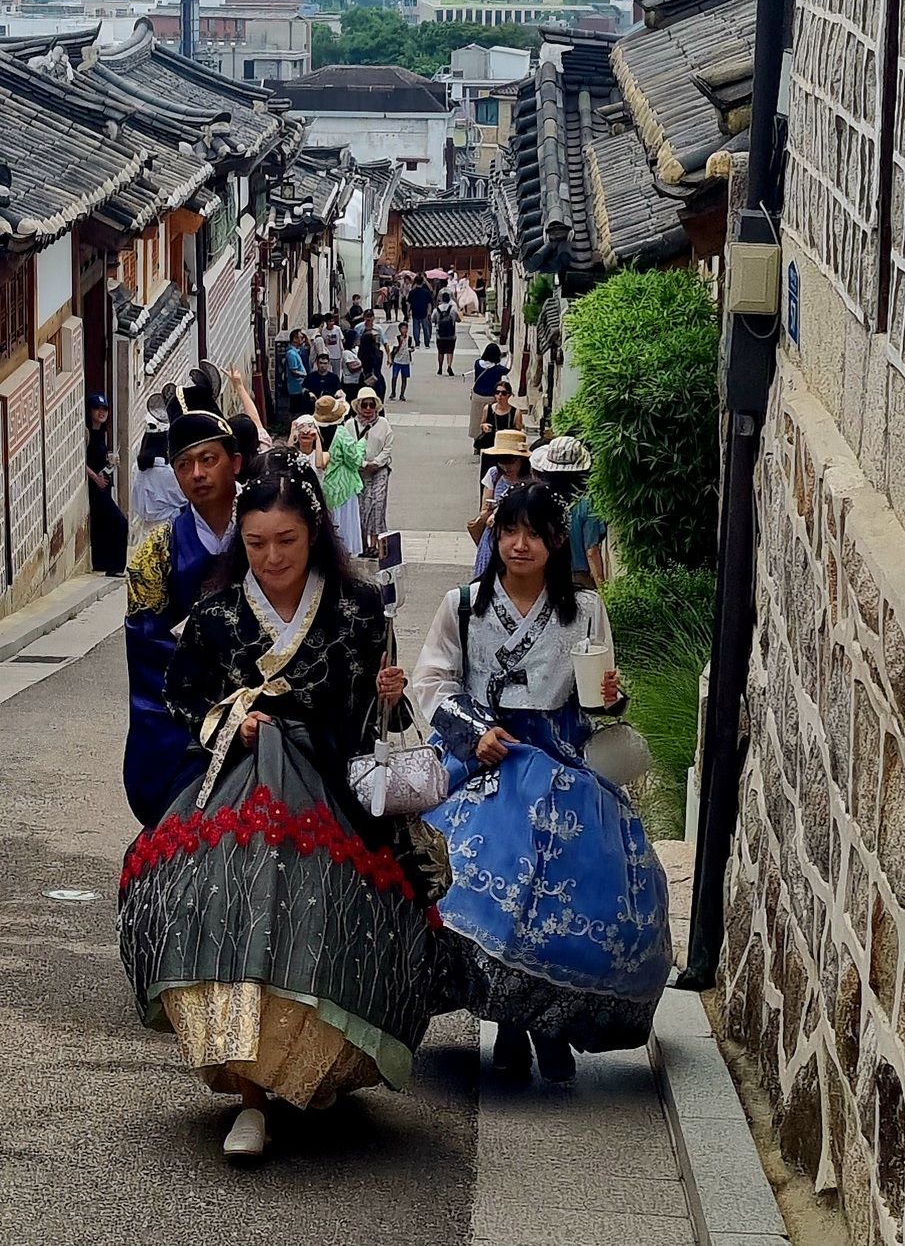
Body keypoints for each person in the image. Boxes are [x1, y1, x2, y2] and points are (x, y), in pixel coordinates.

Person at [119, 449, 448, 1160]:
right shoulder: (216, 613)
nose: (271, 558)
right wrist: (229, 718)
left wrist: (387, 699)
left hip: (328, 788)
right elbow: (180, 698)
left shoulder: (359, 607)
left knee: (320, 922)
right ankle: (251, 1094)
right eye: (257, 543)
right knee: (233, 915)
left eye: (287, 543)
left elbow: (372, 724)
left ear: (315, 533)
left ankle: (312, 1067)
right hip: (243, 786)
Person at [410, 482, 671, 1083]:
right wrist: (474, 730)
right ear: (495, 537)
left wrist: (612, 697)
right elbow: (432, 682)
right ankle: (509, 1023)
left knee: (568, 889)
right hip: (485, 754)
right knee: (478, 888)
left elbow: (600, 697)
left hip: (561, 755)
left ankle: (546, 1025)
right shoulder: (465, 605)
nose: (519, 545)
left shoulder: (584, 610)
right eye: (508, 532)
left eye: (533, 533)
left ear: (556, 541)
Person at [124, 365, 242, 827]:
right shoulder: (158, 551)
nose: (197, 474)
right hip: (193, 718)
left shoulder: (267, 529)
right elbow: (147, 644)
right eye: (183, 464)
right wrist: (209, 705)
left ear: (233, 461)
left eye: (208, 459)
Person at [531, 436, 607, 590]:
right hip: (576, 577)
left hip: (540, 572)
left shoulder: (538, 497)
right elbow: (591, 550)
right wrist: (603, 590)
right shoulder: (587, 503)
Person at [472, 430, 533, 580]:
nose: (506, 467)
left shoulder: (532, 479)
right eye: (501, 461)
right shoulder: (494, 474)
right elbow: (484, 509)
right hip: (493, 536)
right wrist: (490, 513)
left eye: (511, 461)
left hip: (518, 536)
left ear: (521, 460)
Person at [86, 392, 128, 576]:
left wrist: (110, 462)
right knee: (119, 522)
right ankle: (115, 567)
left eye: (104, 409)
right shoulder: (86, 432)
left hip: (104, 487)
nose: (101, 412)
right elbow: (81, 461)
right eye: (97, 408)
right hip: (95, 488)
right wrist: (95, 477)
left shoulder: (101, 432)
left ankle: (104, 563)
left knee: (105, 525)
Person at [351, 388, 393, 559]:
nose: (368, 408)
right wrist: (362, 464)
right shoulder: (350, 425)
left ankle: (375, 544)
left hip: (379, 470)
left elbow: (388, 447)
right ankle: (362, 543)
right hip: (358, 471)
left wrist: (376, 463)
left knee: (377, 505)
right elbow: (349, 449)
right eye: (364, 404)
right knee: (361, 507)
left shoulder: (383, 424)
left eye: (371, 404)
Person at [320, 398, 364, 558]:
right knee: (346, 524)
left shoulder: (316, 432)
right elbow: (355, 460)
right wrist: (362, 445)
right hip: (343, 486)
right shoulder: (341, 434)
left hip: (325, 485)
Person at [130, 416, 187, 538]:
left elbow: (136, 504)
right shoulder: (169, 473)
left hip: (146, 532)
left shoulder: (138, 470)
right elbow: (184, 499)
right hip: (169, 530)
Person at [477, 380, 524, 478]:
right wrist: (484, 426)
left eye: (503, 393)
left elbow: (518, 433)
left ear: (509, 395)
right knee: (487, 479)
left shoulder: (515, 413)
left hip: (506, 452)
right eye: (497, 392)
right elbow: (482, 423)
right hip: (490, 449)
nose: (500, 396)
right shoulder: (488, 409)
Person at [468, 343, 507, 440]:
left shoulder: (477, 363)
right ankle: (487, 441)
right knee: (488, 420)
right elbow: (507, 370)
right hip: (490, 398)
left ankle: (476, 442)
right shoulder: (498, 369)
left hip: (477, 396)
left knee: (476, 419)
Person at [433, 292, 459, 376]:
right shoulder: (452, 309)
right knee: (450, 351)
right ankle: (449, 366)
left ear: (441, 299)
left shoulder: (437, 309)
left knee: (440, 352)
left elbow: (433, 319)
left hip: (440, 335)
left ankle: (440, 368)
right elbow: (457, 318)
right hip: (451, 335)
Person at [286, 330, 310, 419]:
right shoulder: (291, 354)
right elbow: (294, 371)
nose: (303, 339)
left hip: (299, 386)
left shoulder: (297, 351)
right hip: (295, 387)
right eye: (301, 337)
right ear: (295, 339)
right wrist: (305, 375)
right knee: (295, 411)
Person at [388, 321, 414, 401]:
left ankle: (402, 394)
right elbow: (394, 348)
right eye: (403, 328)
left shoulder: (409, 339)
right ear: (400, 329)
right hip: (397, 360)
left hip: (406, 360)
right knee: (394, 376)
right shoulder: (397, 338)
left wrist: (411, 349)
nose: (404, 330)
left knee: (404, 377)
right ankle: (393, 392)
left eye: (406, 328)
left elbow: (412, 347)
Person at [407, 276, 434, 348]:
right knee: (426, 328)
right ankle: (427, 343)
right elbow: (429, 303)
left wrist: (408, 312)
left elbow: (409, 303)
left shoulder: (412, 292)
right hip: (424, 312)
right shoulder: (426, 292)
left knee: (416, 328)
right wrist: (429, 312)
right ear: (423, 282)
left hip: (415, 311)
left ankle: (417, 343)